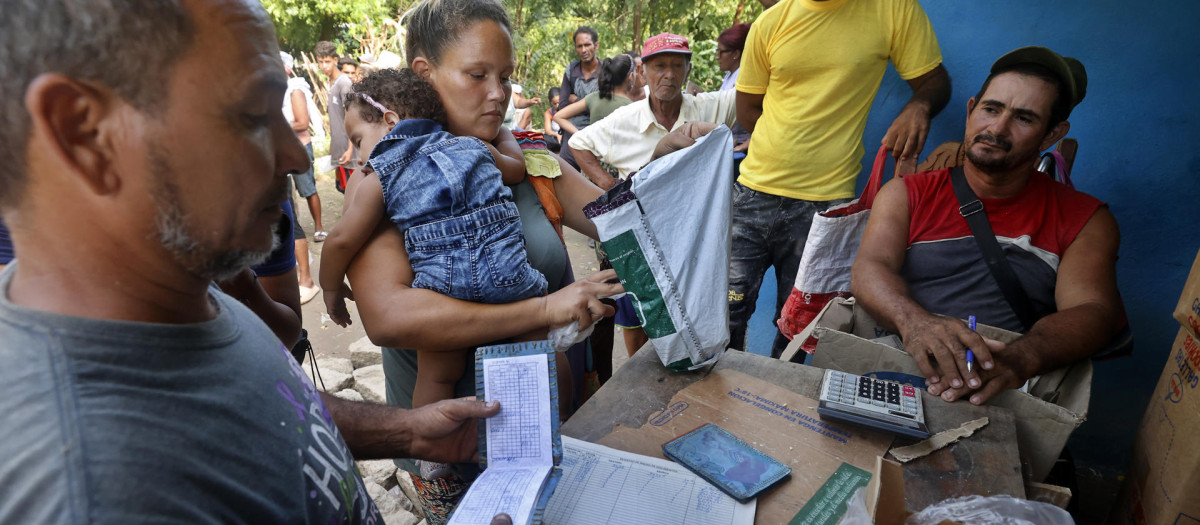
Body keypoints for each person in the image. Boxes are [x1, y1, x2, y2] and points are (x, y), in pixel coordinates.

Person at [0, 0, 508, 522]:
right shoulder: (96, 495)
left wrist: (410, 430)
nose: (293, 156)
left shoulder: (182, 286)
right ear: (83, 135)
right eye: (250, 117)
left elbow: (265, 406)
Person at [341, 0, 622, 521]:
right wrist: (543, 312)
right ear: (425, 72)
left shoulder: (529, 161)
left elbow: (619, 219)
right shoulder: (388, 179)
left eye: (506, 77)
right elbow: (388, 317)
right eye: (477, 75)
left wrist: (662, 169)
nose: (498, 94)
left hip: (544, 422)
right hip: (450, 445)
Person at [851, 46, 1124, 406]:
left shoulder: (1086, 219)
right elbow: (871, 267)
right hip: (892, 372)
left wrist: (1019, 359)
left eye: (1024, 118)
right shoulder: (905, 194)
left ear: (1050, 135)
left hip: (1002, 391)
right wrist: (916, 324)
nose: (997, 128)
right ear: (970, 110)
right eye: (990, 109)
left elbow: (1093, 310)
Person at [730, 0, 951, 357]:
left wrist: (919, 106)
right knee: (724, 316)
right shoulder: (771, 22)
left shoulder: (892, 10)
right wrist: (790, 143)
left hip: (825, 205)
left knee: (799, 335)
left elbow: (934, 81)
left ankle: (770, 405)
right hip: (753, 194)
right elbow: (748, 108)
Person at [321, 68, 546, 413]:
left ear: (390, 121)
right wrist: (502, 133)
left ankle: (433, 459)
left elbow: (340, 241)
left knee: (437, 377)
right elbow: (516, 169)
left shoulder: (378, 177)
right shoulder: (472, 146)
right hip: (508, 268)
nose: (360, 156)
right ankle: (556, 432)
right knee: (541, 358)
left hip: (444, 288)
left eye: (358, 140)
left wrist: (331, 289)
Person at [569, 32, 738, 356]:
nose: (670, 74)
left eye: (677, 65)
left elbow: (753, 93)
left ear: (688, 69)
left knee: (691, 318)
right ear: (643, 71)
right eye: (660, 66)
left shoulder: (710, 107)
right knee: (638, 319)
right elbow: (578, 144)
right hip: (641, 240)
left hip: (693, 241)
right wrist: (611, 188)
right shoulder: (625, 120)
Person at [280, 51, 323, 302]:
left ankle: (319, 229)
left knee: (307, 190)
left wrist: (272, 124)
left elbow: (302, 122)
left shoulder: (293, 89)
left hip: (296, 150)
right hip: (282, 154)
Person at [556, 26, 603, 169]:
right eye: (579, 46)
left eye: (587, 45)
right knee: (564, 172)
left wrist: (576, 101)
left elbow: (603, 109)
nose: (583, 50)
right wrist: (590, 104)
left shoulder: (606, 71)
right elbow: (562, 106)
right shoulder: (571, 70)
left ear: (596, 46)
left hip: (597, 133)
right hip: (572, 131)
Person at [554, 54, 637, 135]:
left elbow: (558, 116)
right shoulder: (631, 107)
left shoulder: (594, 97)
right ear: (631, 76)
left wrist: (581, 136)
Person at [315, 40, 355, 201]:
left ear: (335, 61)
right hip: (340, 149)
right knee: (343, 191)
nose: (324, 66)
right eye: (320, 62)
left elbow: (352, 116)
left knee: (353, 196)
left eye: (327, 62)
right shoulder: (331, 83)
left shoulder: (344, 83)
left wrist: (350, 150)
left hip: (349, 152)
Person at [716, 23, 752, 150]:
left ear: (736, 53)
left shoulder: (744, 77)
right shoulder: (730, 76)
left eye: (721, 52)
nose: (717, 57)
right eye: (717, 51)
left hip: (741, 146)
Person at [542, 87, 563, 151]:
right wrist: (557, 135)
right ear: (551, 102)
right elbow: (548, 130)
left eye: (559, 102)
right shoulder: (548, 113)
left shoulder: (568, 108)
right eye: (555, 103)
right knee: (543, 138)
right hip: (555, 138)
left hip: (566, 138)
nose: (557, 105)